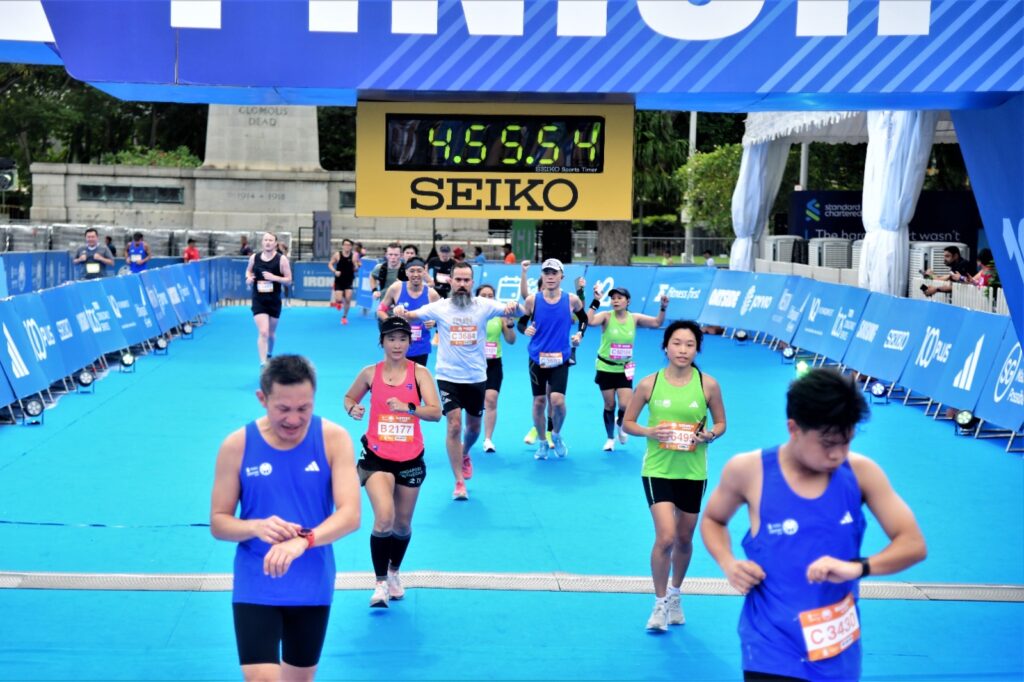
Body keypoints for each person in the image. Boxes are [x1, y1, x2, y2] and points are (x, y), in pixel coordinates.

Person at [700, 368, 927, 681]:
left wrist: (858, 567)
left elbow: (913, 544)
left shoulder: (862, 473)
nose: (838, 455)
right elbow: (713, 520)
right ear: (793, 428)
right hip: (770, 648)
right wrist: (728, 563)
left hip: (836, 648)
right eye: (828, 443)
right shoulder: (749, 471)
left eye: (846, 442)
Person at [209, 355, 361, 681]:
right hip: (256, 582)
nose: (294, 419)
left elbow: (350, 514)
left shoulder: (333, 439)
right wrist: (255, 526)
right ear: (262, 399)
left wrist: (302, 541)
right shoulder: (236, 446)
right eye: (283, 409)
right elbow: (219, 522)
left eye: (304, 408)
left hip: (312, 582)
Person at [621, 320, 726, 632]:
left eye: (690, 344)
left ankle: (676, 594)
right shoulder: (649, 384)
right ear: (665, 347)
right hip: (658, 469)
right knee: (666, 536)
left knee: (684, 538)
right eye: (677, 343)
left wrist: (709, 435)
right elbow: (628, 423)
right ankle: (659, 603)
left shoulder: (708, 385)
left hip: (693, 472)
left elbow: (721, 423)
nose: (683, 350)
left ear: (697, 349)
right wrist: (650, 431)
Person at [393, 262, 519, 500]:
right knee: (453, 425)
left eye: (466, 280)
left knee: (473, 429)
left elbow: (517, 312)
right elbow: (411, 316)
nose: (462, 284)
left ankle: (465, 452)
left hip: (476, 377)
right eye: (458, 280)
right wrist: (401, 311)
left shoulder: (484, 306)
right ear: (450, 281)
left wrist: (514, 306)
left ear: (472, 282)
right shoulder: (440, 307)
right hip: (447, 376)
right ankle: (459, 482)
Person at [343, 317, 442, 608]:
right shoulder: (369, 373)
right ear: (382, 342)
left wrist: (409, 408)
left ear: (410, 342)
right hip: (376, 457)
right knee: (384, 517)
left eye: (402, 339)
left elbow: (436, 412)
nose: (397, 345)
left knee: (401, 525)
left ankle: (394, 571)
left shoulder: (420, 373)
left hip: (410, 458)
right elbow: (349, 397)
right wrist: (352, 409)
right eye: (391, 339)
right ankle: (380, 584)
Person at [580, 282, 668, 451]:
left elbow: (657, 323)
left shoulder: (634, 318)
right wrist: (596, 301)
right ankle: (610, 438)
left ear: (628, 301)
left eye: (619, 298)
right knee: (609, 405)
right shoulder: (606, 316)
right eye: (613, 298)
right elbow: (589, 321)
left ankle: (620, 424)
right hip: (605, 367)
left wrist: (663, 308)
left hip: (624, 369)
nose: (615, 300)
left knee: (625, 406)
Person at [521, 258, 586, 460]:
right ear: (542, 276)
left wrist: (580, 334)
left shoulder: (572, 300)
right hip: (537, 358)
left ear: (561, 277)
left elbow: (584, 319)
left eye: (554, 273)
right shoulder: (532, 300)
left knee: (558, 401)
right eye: (546, 273)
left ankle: (556, 434)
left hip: (560, 358)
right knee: (539, 402)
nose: (550, 277)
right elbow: (521, 323)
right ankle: (542, 442)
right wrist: (525, 329)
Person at [476, 283, 517, 453]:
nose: (487, 298)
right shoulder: (470, 314)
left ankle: (488, 439)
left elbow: (511, 340)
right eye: (483, 295)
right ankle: (468, 434)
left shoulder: (500, 315)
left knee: (491, 400)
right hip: (473, 364)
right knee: (472, 404)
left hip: (493, 363)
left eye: (490, 295)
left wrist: (509, 325)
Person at [377, 257, 439, 366]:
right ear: (406, 272)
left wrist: (434, 322)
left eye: (419, 271)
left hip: (421, 347)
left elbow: (442, 317)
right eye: (412, 271)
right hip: (398, 346)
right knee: (395, 376)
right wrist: (393, 322)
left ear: (424, 272)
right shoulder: (396, 288)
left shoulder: (432, 294)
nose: (416, 274)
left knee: (416, 376)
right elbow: (380, 310)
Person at [246, 232, 293, 366]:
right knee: (263, 332)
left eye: (270, 240)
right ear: (262, 242)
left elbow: (289, 280)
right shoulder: (254, 258)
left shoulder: (282, 260)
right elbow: (248, 271)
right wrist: (248, 278)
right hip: (259, 300)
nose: (267, 242)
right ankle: (263, 363)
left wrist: (274, 278)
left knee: (271, 334)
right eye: (265, 240)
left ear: (275, 244)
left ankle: (269, 354)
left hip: (274, 300)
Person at [328, 238, 361, 324]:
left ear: (351, 247)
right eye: (345, 245)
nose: (347, 246)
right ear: (342, 246)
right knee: (339, 299)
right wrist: (335, 271)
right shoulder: (337, 255)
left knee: (348, 298)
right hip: (339, 280)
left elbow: (356, 266)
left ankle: (344, 316)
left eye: (349, 245)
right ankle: (339, 301)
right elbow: (330, 264)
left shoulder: (353, 256)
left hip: (349, 280)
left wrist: (357, 267)